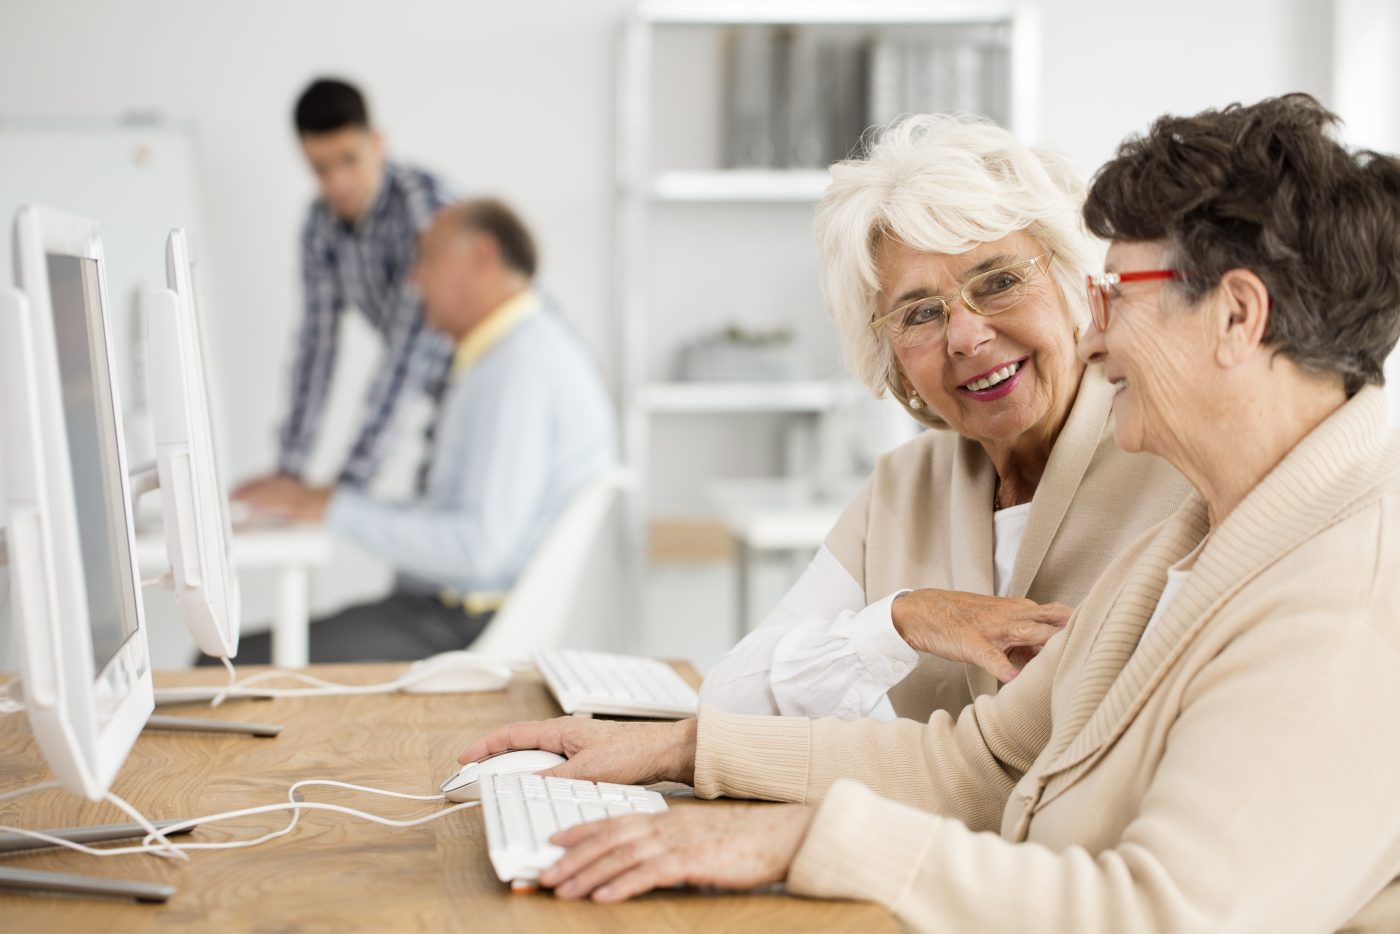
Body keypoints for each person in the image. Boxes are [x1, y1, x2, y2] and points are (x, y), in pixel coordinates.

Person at [461, 95, 1400, 929]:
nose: (1096, 322)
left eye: (1119, 294)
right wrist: (685, 753)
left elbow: (1158, 913)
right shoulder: (1191, 540)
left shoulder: (1354, 596)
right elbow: (980, 766)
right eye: (917, 312)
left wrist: (803, 846)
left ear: (1237, 315)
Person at [700, 115, 1188, 722]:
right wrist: (904, 618)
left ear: (1071, 285)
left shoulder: (1171, 456)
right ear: (896, 365)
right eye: (920, 314)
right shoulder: (907, 485)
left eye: (1001, 281)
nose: (964, 335)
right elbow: (729, 697)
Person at [229, 199, 616, 662]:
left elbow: (478, 550)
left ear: (483, 257)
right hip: (441, 615)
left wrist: (336, 509)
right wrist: (329, 503)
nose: (413, 278)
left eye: (428, 257)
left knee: (224, 665)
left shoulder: (521, 368)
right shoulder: (509, 357)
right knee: (237, 655)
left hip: (459, 630)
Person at [235, 77, 456, 502]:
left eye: (349, 159)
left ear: (377, 142)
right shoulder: (320, 227)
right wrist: (290, 470)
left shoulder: (425, 211)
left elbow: (408, 356)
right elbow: (315, 350)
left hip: (488, 392)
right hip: (443, 403)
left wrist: (344, 490)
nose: (338, 182)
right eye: (320, 168)